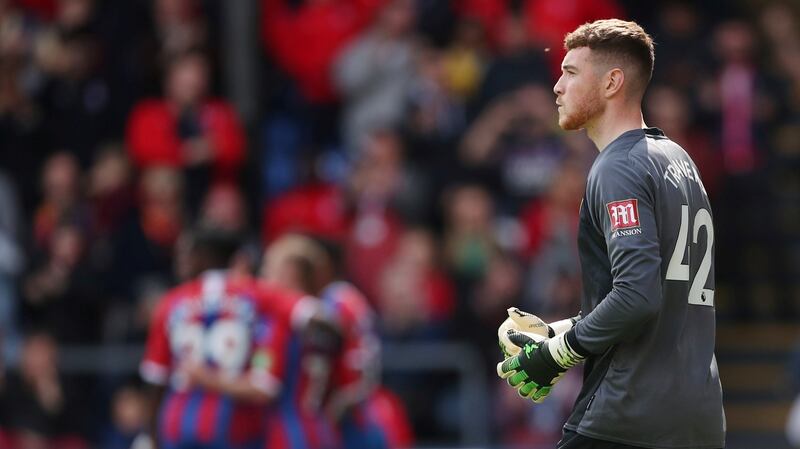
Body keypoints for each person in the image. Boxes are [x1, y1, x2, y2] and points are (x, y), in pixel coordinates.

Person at [496, 19, 725, 449]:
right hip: (699, 421)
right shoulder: (679, 160)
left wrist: (559, 354)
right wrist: (562, 330)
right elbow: (661, 294)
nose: (557, 87)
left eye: (571, 72)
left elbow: (638, 295)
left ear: (612, 82)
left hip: (628, 417)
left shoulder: (618, 167)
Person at [139, 226, 317, 449]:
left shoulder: (171, 302)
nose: (180, 260)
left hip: (179, 423)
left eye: (185, 253)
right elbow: (312, 314)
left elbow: (156, 380)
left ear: (201, 256)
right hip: (236, 427)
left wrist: (151, 437)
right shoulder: (258, 296)